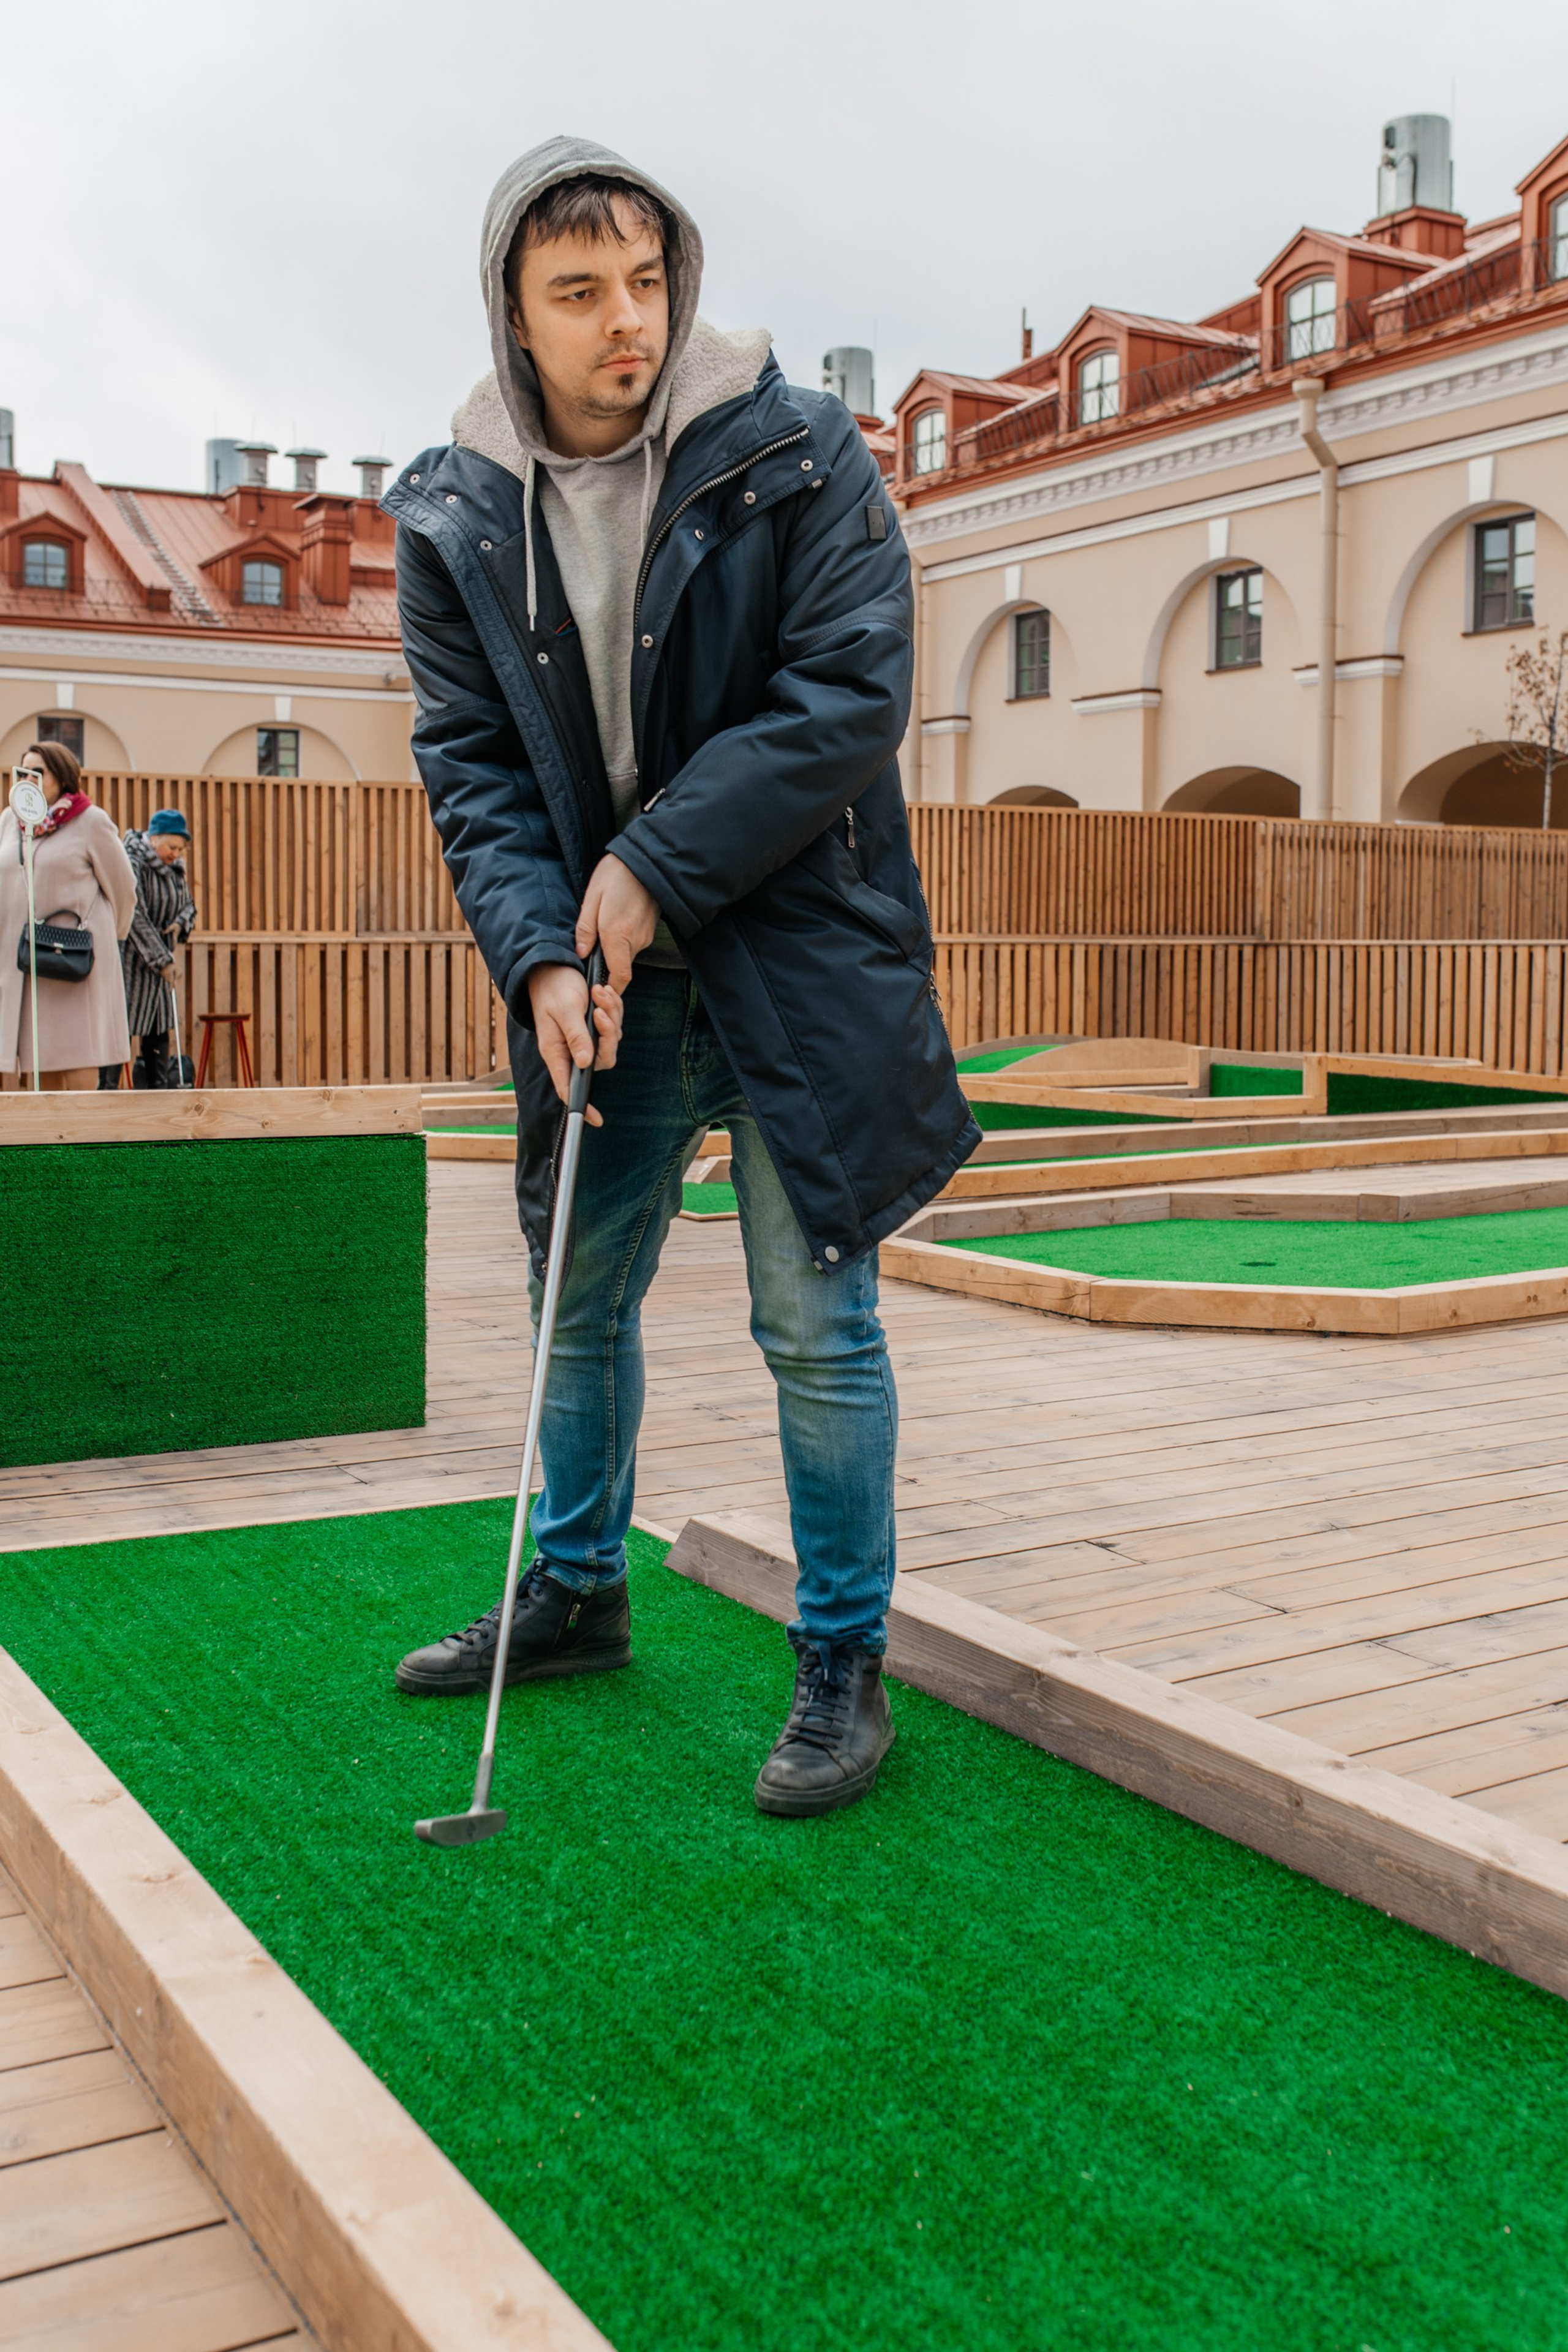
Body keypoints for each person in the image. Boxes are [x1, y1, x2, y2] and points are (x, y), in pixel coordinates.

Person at [386, 138, 976, 1817]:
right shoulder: (455, 513)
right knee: (577, 1293)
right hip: (601, 969)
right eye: (579, 293)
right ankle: (575, 1592)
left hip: (805, 951)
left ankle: (842, 1663)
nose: (624, 321)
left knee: (816, 1316)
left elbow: (847, 699)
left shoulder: (799, 454)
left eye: (645, 281)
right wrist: (534, 959)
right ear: (513, 310)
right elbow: (474, 766)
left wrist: (650, 868)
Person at [0, 742, 135, 1090]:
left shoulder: (91, 821)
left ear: (62, 777)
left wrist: (106, 944)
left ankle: (81, 1143)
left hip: (71, 960)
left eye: (38, 772)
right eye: (23, 772)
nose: (28, 780)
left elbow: (123, 890)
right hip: (22, 963)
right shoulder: (10, 821)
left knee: (75, 1056)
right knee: (36, 1058)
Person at [109, 808, 197, 1088]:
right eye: (172, 847)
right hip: (130, 965)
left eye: (180, 849)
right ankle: (106, 1101)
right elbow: (134, 913)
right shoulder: (132, 861)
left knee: (158, 1037)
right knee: (118, 1035)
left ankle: (159, 1106)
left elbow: (189, 905)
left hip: (159, 976)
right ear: (154, 838)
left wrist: (181, 924)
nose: (176, 854)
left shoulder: (175, 870)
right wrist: (161, 959)